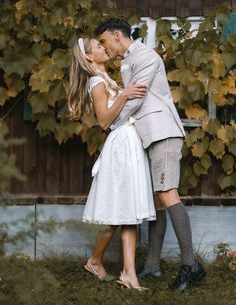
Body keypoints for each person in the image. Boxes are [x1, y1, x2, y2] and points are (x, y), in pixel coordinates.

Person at [95, 17, 206, 291]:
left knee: (168, 194)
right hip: (148, 135)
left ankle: (190, 266)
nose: (102, 46)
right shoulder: (127, 61)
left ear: (116, 35)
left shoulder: (144, 56)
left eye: (103, 40)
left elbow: (136, 99)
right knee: (157, 201)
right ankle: (153, 266)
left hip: (162, 132)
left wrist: (113, 124)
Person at [68, 37, 156, 290]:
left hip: (130, 141)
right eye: (98, 47)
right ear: (88, 58)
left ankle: (128, 274)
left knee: (128, 211)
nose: (104, 48)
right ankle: (96, 260)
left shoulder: (108, 78)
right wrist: (125, 95)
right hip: (119, 146)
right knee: (121, 211)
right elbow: (104, 121)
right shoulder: (96, 83)